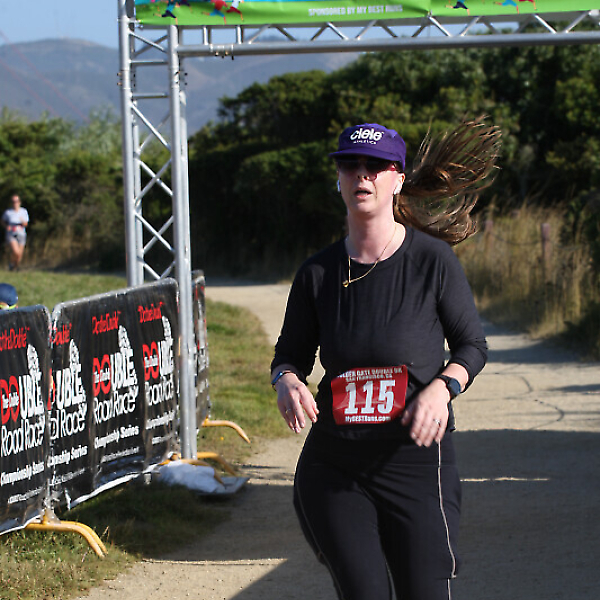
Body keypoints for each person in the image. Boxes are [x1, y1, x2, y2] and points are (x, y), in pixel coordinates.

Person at [270, 119, 500, 600]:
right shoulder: (316, 274)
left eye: (375, 166)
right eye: (350, 165)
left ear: (397, 179)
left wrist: (442, 388)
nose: (362, 175)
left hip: (415, 462)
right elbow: (289, 356)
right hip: (335, 466)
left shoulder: (432, 261)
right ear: (338, 179)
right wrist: (286, 381)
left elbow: (471, 347)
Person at [2, 194, 29, 271]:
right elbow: (2, 221)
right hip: (11, 233)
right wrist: (6, 226)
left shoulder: (23, 211)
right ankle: (12, 265)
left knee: (19, 254)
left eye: (16, 201)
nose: (15, 203)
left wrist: (22, 222)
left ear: (19, 202)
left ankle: (14, 267)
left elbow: (26, 224)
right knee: (16, 251)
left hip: (21, 233)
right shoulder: (8, 212)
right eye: (13, 201)